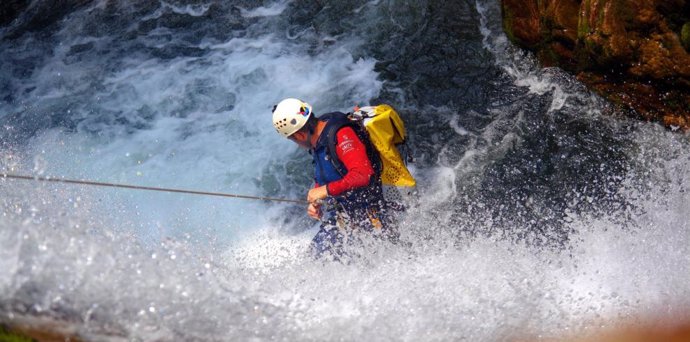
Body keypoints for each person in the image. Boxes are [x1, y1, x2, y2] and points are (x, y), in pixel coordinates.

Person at [272, 98, 395, 258]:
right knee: (313, 260)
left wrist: (326, 190)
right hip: (344, 218)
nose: (296, 145)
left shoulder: (341, 135)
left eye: (293, 139)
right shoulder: (318, 139)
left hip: (371, 218)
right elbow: (329, 172)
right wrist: (318, 196)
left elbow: (363, 174)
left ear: (300, 135)